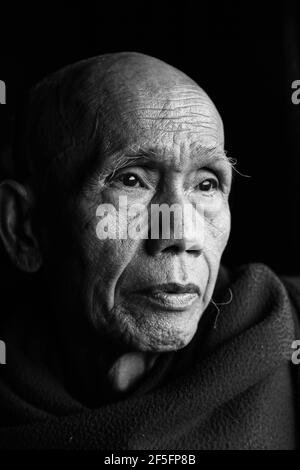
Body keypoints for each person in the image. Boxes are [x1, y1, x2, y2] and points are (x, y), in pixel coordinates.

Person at [0, 52, 299, 450]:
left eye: (206, 185)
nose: (181, 234)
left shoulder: (283, 325)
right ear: (24, 228)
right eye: (131, 180)